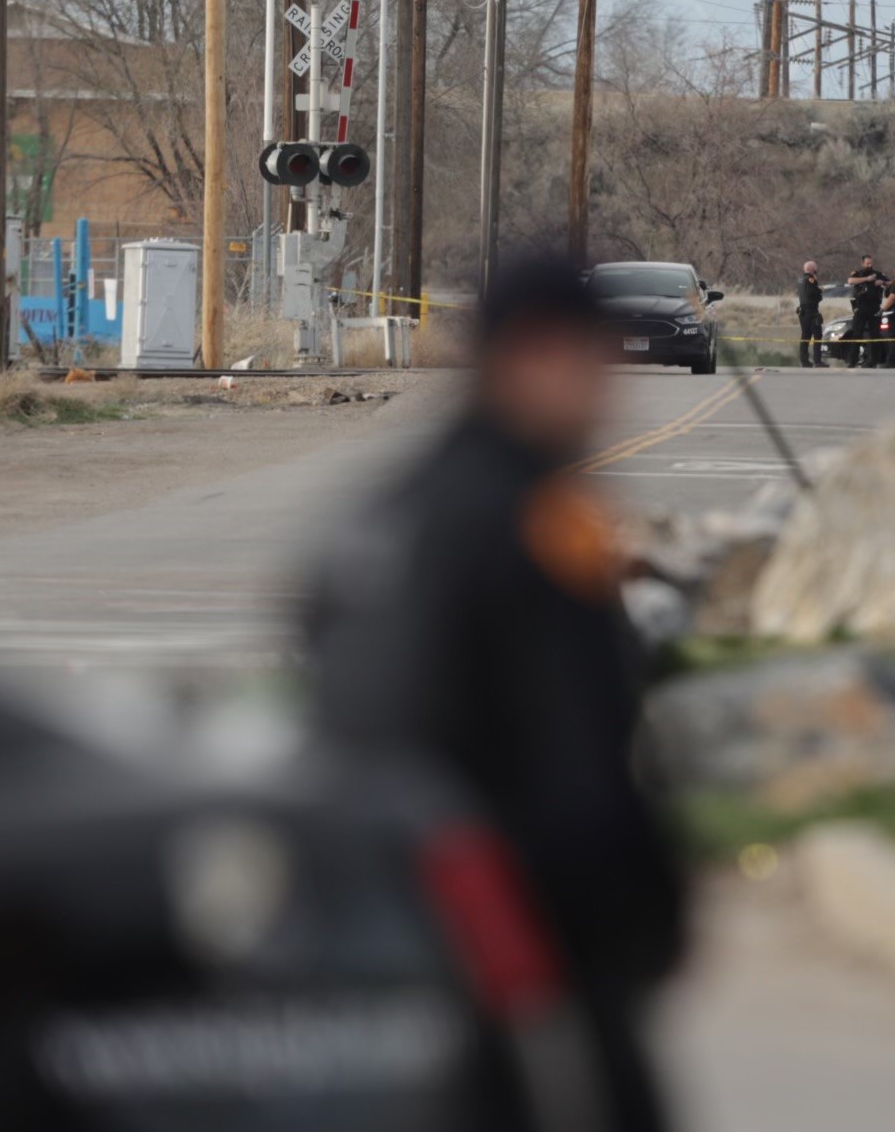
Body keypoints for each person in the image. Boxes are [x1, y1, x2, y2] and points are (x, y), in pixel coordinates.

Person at [304, 253, 690, 1131]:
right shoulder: (535, 520)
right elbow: (581, 737)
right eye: (594, 359)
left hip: (381, 901)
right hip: (512, 903)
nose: (609, 387)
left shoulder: (386, 508)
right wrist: (648, 900)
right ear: (534, 355)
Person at [847, 256, 884, 369]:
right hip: (861, 307)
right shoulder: (858, 273)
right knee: (857, 333)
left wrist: (881, 282)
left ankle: (874, 361)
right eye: (867, 263)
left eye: (871, 263)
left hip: (874, 307)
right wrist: (866, 279)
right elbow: (850, 281)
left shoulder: (877, 273)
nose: (869, 265)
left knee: (875, 334)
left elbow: (889, 282)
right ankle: (852, 360)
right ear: (863, 263)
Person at [796, 261, 826, 368]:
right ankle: (817, 361)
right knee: (817, 336)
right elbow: (814, 295)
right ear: (813, 270)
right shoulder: (811, 280)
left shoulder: (800, 280)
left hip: (802, 312)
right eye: (816, 270)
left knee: (805, 336)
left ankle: (804, 361)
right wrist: (819, 290)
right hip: (812, 312)